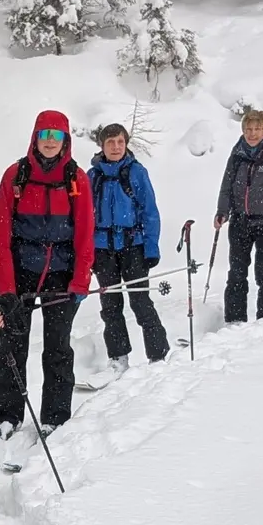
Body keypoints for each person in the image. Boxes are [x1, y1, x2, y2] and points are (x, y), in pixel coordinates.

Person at [0, 109, 93, 435]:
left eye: (57, 135)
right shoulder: (15, 176)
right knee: (12, 346)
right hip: (22, 274)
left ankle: (56, 415)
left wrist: (80, 280)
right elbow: (0, 236)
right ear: (35, 137)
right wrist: (6, 289)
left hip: (61, 275)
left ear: (65, 140)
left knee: (58, 347)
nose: (50, 142)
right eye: (45, 135)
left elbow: (85, 233)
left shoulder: (76, 179)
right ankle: (8, 415)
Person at [87, 122, 170, 371]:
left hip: (133, 246)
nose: (116, 147)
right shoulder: (92, 176)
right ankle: (118, 357)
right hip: (102, 249)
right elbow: (83, 218)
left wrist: (151, 248)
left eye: (120, 142)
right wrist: (87, 253)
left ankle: (158, 354)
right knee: (110, 306)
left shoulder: (136, 172)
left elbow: (150, 212)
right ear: (102, 146)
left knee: (140, 301)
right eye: (110, 142)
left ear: (126, 144)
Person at [214, 107, 263, 322]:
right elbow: (226, 186)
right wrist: (222, 211)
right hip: (240, 220)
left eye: (257, 129)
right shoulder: (237, 156)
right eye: (248, 129)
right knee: (237, 272)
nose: (252, 133)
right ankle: (234, 319)